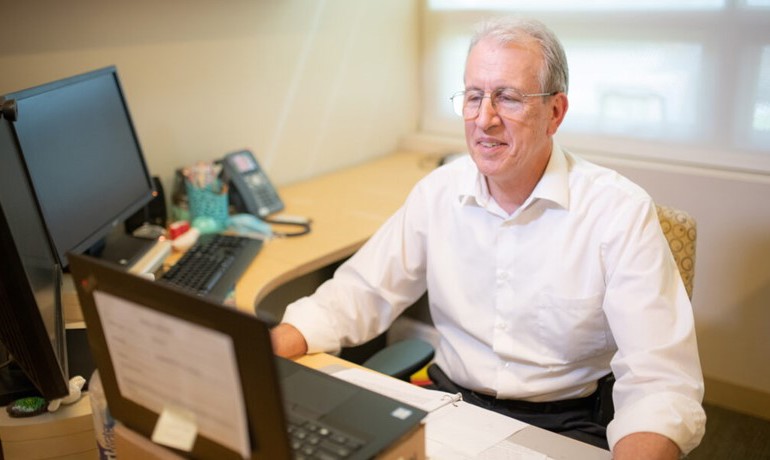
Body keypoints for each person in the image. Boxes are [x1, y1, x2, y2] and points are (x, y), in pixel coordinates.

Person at [271, 16, 706, 459]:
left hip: (565, 423)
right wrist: (264, 351)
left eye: (508, 98)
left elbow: (660, 382)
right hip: (450, 406)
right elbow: (360, 292)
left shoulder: (617, 211)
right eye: (474, 96)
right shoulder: (438, 192)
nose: (484, 119)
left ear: (555, 113)